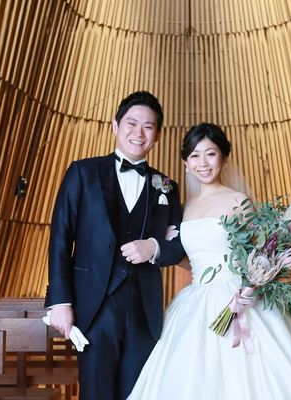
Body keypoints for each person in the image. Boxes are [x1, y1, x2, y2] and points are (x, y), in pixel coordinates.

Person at [128, 123, 291, 399]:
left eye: (210, 154)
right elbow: (187, 256)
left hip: (239, 294)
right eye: (194, 155)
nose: (202, 163)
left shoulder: (238, 200)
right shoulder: (183, 208)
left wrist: (255, 279)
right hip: (195, 299)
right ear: (186, 163)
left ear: (223, 157)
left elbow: (260, 251)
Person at [44, 91, 186, 400]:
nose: (139, 133)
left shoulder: (166, 186)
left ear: (157, 135)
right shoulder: (82, 173)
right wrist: (60, 302)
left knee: (138, 394)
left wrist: (154, 247)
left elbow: (179, 247)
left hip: (144, 310)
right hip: (94, 307)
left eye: (148, 126)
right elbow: (60, 238)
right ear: (115, 125)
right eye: (131, 123)